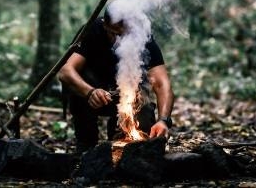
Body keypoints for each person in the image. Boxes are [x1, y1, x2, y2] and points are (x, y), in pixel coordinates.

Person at [58, 9, 175, 154]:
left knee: (141, 129)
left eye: (127, 35)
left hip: (126, 94)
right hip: (94, 93)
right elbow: (65, 71)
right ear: (105, 26)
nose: (121, 41)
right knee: (79, 83)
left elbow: (162, 83)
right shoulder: (93, 30)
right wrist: (89, 92)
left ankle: (120, 134)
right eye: (116, 34)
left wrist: (163, 120)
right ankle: (86, 145)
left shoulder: (142, 37)